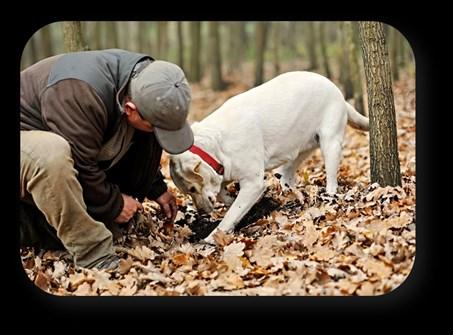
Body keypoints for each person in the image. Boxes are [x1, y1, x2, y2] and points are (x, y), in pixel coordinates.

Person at [20, 48, 194, 271]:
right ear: (130, 109)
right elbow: (81, 165)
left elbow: (140, 141)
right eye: (155, 126)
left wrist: (156, 188)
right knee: (51, 154)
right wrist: (114, 204)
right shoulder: (80, 93)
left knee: (108, 225)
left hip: (60, 151)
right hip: (27, 143)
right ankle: (93, 255)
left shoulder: (147, 81)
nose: (156, 133)